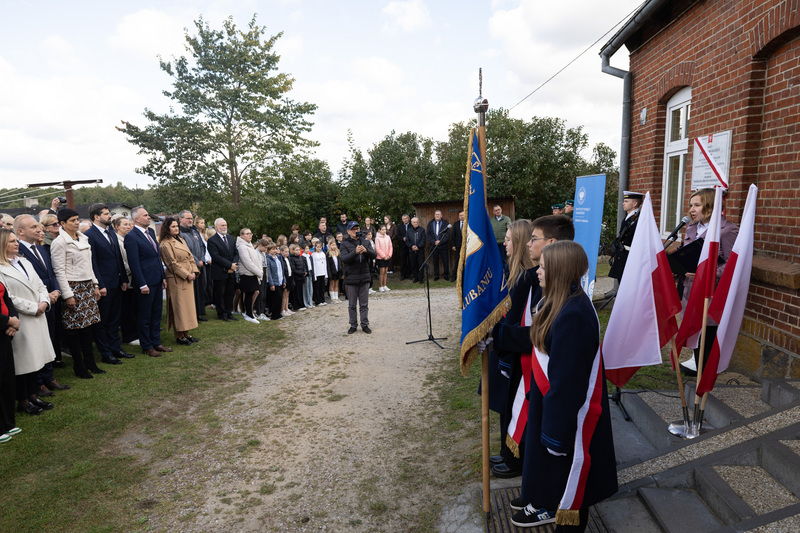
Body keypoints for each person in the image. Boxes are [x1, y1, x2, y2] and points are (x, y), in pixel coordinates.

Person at [508, 241, 617, 530]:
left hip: (566, 416)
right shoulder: (559, 302)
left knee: (569, 480)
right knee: (553, 474)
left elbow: (568, 383)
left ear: (559, 271)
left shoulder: (573, 314)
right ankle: (545, 502)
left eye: (543, 267)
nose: (537, 271)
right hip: (551, 405)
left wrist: (555, 436)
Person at [486, 219, 536, 480]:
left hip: (516, 351)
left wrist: (499, 335)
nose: (504, 244)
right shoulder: (512, 272)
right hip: (505, 344)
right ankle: (507, 450)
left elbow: (518, 317)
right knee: (505, 404)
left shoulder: (527, 277)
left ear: (519, 243)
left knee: (515, 405)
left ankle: (515, 457)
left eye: (508, 240)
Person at [677, 188, 739, 376]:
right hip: (690, 288)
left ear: (710, 206)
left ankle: (705, 374)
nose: (691, 210)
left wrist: (707, 274)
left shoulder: (727, 230)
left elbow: (732, 263)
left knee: (707, 333)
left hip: (710, 291)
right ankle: (699, 368)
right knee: (695, 331)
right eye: (691, 205)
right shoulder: (692, 227)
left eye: (697, 205)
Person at [0, 229, 57, 414]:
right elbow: (8, 297)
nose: (16, 243)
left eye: (16, 240)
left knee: (37, 359)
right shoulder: (1, 268)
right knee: (24, 362)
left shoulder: (24, 261)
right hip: (21, 318)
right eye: (11, 241)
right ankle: (23, 400)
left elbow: (40, 285)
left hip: (38, 315)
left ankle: (33, 395)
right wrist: (34, 307)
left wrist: (44, 302)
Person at [14, 215, 70, 392]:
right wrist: (45, 296)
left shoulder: (41, 249)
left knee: (49, 341)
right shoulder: (17, 252)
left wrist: (56, 291)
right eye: (33, 227)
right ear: (20, 231)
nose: (39, 230)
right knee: (35, 345)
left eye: (38, 226)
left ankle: (48, 377)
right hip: (35, 305)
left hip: (50, 301)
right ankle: (38, 382)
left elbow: (51, 273)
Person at [50, 209, 107, 376]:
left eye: (77, 219)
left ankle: (90, 362)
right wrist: (68, 295)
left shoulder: (83, 238)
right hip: (72, 287)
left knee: (88, 326)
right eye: (72, 220)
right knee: (74, 328)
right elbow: (59, 271)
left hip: (87, 285)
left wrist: (95, 284)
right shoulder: (59, 242)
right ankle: (78, 365)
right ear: (62, 223)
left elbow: (89, 265)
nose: (77, 223)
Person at [84, 204, 131, 365]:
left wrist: (123, 279)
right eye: (106, 214)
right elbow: (93, 262)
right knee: (102, 320)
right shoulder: (89, 235)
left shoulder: (111, 232)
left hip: (117, 282)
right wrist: (99, 284)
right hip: (104, 284)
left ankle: (116, 348)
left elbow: (118, 257)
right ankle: (106, 353)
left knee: (114, 319)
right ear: (96, 217)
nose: (109, 216)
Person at [124, 206, 171, 358]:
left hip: (156, 280)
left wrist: (162, 277)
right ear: (136, 219)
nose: (148, 217)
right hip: (145, 283)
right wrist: (142, 283)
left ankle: (156, 342)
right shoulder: (131, 237)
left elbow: (157, 257)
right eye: (145, 215)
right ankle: (147, 346)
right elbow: (134, 263)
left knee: (156, 313)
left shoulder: (150, 232)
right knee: (145, 315)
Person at [159, 217, 200, 344]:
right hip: (177, 279)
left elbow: (190, 257)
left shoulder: (180, 239)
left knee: (187, 308)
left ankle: (186, 333)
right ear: (167, 228)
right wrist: (187, 274)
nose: (176, 228)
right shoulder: (165, 244)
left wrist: (194, 271)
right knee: (179, 307)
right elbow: (172, 264)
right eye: (173, 226)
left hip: (188, 276)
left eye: (177, 226)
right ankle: (179, 336)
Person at [340, 222, 376, 334]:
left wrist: (366, 251)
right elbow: (344, 259)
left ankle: (364, 324)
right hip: (351, 278)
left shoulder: (365, 242)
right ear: (348, 231)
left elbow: (374, 255)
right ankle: (353, 325)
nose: (356, 231)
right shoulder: (344, 244)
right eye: (353, 229)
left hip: (364, 276)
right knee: (352, 304)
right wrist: (355, 252)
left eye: (357, 228)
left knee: (364, 304)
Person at [112, 215, 138, 346]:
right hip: (127, 278)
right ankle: (129, 336)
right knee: (127, 309)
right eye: (125, 225)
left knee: (133, 308)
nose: (128, 227)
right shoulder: (117, 241)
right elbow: (122, 261)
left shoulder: (127, 239)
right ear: (117, 227)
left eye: (129, 224)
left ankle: (135, 332)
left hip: (133, 277)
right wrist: (134, 269)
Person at [206, 218, 239, 322]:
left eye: (225, 225)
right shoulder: (212, 240)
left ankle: (229, 312)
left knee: (230, 293)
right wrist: (230, 265)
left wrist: (234, 265)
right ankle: (222, 314)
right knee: (220, 294)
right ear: (216, 227)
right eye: (222, 225)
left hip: (231, 271)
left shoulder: (230, 238)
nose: (225, 227)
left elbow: (236, 253)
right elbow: (216, 257)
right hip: (220, 272)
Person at [179, 210, 208, 323]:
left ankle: (199, 313)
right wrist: (196, 261)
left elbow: (202, 246)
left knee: (201, 290)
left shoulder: (194, 231)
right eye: (188, 218)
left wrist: (202, 259)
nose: (190, 220)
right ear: (181, 219)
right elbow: (186, 250)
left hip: (200, 266)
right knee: (192, 292)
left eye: (191, 218)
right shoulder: (180, 233)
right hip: (189, 267)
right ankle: (193, 315)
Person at [0, 278, 21, 441]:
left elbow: (7, 301)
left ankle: (8, 423)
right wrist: (7, 321)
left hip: (4, 334)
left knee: (7, 379)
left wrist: (14, 321)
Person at [608, 191, 644, 282]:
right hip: (622, 255)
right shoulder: (629, 217)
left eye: (626, 201)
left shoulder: (638, 219)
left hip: (629, 257)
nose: (623, 203)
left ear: (635, 204)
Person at [235, 228, 263, 324]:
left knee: (252, 293)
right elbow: (247, 262)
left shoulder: (249, 245)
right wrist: (259, 272)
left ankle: (249, 312)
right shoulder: (242, 247)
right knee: (248, 294)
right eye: (247, 234)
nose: (250, 235)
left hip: (253, 273)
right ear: (242, 236)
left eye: (250, 233)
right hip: (247, 273)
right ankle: (248, 314)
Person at [266, 243, 286, 320]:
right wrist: (271, 284)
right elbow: (269, 273)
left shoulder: (278, 258)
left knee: (280, 298)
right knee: (276, 299)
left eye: (276, 249)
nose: (275, 250)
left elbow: (281, 270)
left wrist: (284, 280)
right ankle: (275, 315)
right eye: (273, 249)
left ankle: (278, 313)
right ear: (269, 250)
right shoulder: (268, 259)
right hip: (274, 282)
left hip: (280, 280)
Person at [405, 217, 426, 283]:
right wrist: (411, 246)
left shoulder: (422, 230)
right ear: (412, 223)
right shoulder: (408, 230)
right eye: (414, 222)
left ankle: (421, 278)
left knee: (421, 264)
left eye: (417, 222)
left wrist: (418, 246)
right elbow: (407, 240)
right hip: (411, 251)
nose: (416, 223)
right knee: (413, 265)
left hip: (420, 251)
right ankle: (415, 277)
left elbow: (423, 240)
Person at [289, 244, 307, 312]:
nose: (298, 251)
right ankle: (297, 306)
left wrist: (304, 271)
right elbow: (293, 269)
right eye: (296, 250)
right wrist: (301, 273)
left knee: (300, 292)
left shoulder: (300, 257)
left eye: (299, 250)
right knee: (296, 292)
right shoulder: (292, 258)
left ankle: (301, 304)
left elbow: (303, 265)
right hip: (296, 278)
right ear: (293, 251)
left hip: (301, 277)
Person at [375, 225, 393, 292]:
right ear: (379, 230)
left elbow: (390, 247)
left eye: (385, 229)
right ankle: (380, 286)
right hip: (381, 257)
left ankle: (385, 285)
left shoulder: (388, 237)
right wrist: (383, 256)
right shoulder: (377, 238)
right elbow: (377, 248)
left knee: (385, 271)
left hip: (387, 257)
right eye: (382, 229)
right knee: (382, 272)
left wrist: (389, 255)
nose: (384, 231)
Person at [311, 241, 328, 306]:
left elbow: (325, 264)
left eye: (320, 247)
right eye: (317, 247)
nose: (319, 248)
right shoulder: (313, 255)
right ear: (315, 247)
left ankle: (322, 299)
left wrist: (326, 273)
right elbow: (314, 265)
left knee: (322, 287)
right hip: (317, 273)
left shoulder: (323, 254)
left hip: (322, 272)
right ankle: (317, 301)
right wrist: (314, 275)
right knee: (317, 288)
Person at [450, 211, 464, 282]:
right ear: (458, 216)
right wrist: (453, 245)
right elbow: (453, 236)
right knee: (458, 262)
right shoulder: (456, 224)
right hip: (458, 246)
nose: (462, 216)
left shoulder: (469, 223)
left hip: (467, 247)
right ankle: (454, 276)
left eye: (463, 215)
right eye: (460, 215)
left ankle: (465, 277)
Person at [397, 214, 411, 280]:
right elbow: (398, 235)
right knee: (403, 261)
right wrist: (403, 238)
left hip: (410, 246)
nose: (405, 220)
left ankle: (409, 274)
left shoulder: (411, 226)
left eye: (406, 218)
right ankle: (403, 275)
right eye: (404, 219)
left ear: (408, 219)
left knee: (410, 261)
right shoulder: (399, 226)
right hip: (402, 246)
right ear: (402, 220)